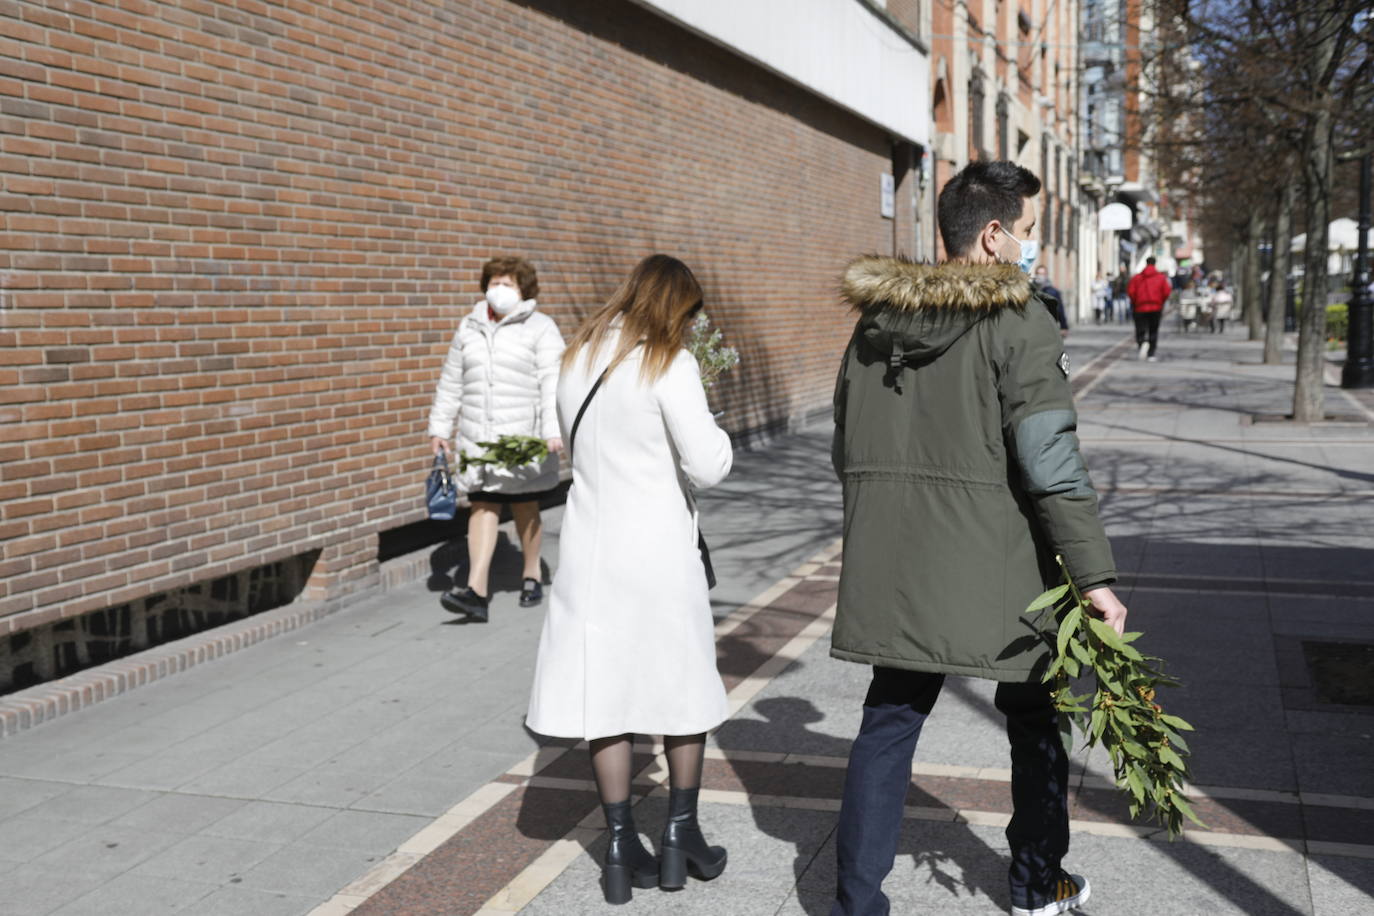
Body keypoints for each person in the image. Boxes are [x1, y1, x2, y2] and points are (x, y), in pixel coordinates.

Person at [829, 159, 1126, 916]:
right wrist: (1093, 575)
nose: (1035, 250)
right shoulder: (1019, 321)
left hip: (896, 566)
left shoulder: (875, 323)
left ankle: (856, 903)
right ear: (993, 236)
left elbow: (845, 444)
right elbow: (1048, 461)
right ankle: (1035, 883)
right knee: (1033, 719)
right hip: (1002, 566)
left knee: (889, 721)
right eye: (1028, 233)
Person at [526, 254, 733, 905]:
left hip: (590, 551)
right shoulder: (669, 360)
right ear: (678, 306)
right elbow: (709, 464)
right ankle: (680, 835)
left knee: (605, 696)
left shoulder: (575, 358)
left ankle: (619, 847)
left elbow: (566, 441)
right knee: (681, 686)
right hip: (658, 556)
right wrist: (712, 420)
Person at [427, 256, 565, 622]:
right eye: (495, 282)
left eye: (509, 284)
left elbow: (553, 380)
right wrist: (440, 427)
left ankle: (532, 572)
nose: (499, 290)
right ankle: (476, 590)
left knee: (524, 506)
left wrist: (553, 429)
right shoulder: (469, 326)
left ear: (524, 290)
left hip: (523, 438)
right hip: (477, 437)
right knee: (483, 504)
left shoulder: (541, 328)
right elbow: (451, 379)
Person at [1127, 256, 1172, 361]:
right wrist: (1161, 302)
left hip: (1140, 307)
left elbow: (1131, 291)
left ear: (1146, 263)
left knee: (1140, 329)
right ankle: (1151, 353)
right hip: (1155, 307)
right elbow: (1166, 291)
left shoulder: (1137, 278)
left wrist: (1135, 301)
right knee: (1153, 330)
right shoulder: (1161, 278)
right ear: (1155, 264)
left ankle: (1142, 343)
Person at [1033, 265, 1070, 336]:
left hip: (1049, 326)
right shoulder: (1030, 290)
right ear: (1035, 274)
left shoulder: (1053, 292)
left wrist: (1064, 326)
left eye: (1043, 274)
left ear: (1046, 275)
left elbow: (1060, 309)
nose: (1040, 276)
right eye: (1038, 274)